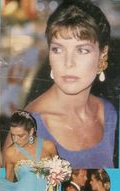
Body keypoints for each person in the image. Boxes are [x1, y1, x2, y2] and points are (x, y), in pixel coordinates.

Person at [9, 0, 117, 168]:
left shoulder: (110, 114)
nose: (68, 63)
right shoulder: (29, 128)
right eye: (58, 49)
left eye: (82, 50)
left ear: (103, 55)